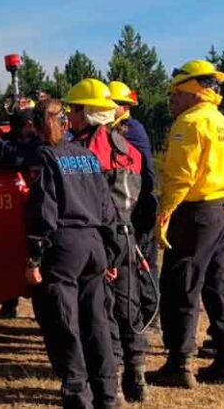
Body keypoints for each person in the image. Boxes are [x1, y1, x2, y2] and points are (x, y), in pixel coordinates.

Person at [148, 59, 224, 388]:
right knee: (222, 285)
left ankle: (180, 365)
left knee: (180, 286)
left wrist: (165, 215)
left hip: (194, 213)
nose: (172, 101)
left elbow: (179, 177)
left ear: (191, 92)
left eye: (174, 93)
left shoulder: (188, 124)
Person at [26, 99, 121, 409]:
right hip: (95, 244)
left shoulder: (46, 157)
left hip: (66, 246)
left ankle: (78, 395)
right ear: (66, 123)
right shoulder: (88, 156)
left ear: (36, 126)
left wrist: (34, 257)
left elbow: (44, 209)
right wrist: (112, 253)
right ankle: (107, 394)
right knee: (97, 322)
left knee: (66, 323)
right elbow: (107, 205)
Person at [66, 78, 149, 403]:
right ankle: (137, 375)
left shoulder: (83, 153)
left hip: (102, 240)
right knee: (130, 308)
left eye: (73, 110)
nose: (69, 116)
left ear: (86, 112)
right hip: (127, 236)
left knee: (103, 313)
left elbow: (85, 203)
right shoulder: (127, 148)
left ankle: (109, 383)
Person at [108, 81, 159, 328]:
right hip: (134, 204)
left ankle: (150, 315)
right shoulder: (119, 127)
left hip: (140, 206)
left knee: (142, 263)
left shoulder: (130, 129)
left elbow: (140, 172)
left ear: (123, 106)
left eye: (112, 103)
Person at [0, 107, 43, 319]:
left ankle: (41, 311)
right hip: (11, 209)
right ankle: (8, 305)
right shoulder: (13, 137)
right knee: (10, 256)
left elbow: (19, 159)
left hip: (35, 208)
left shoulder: (39, 142)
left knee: (35, 259)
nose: (24, 130)